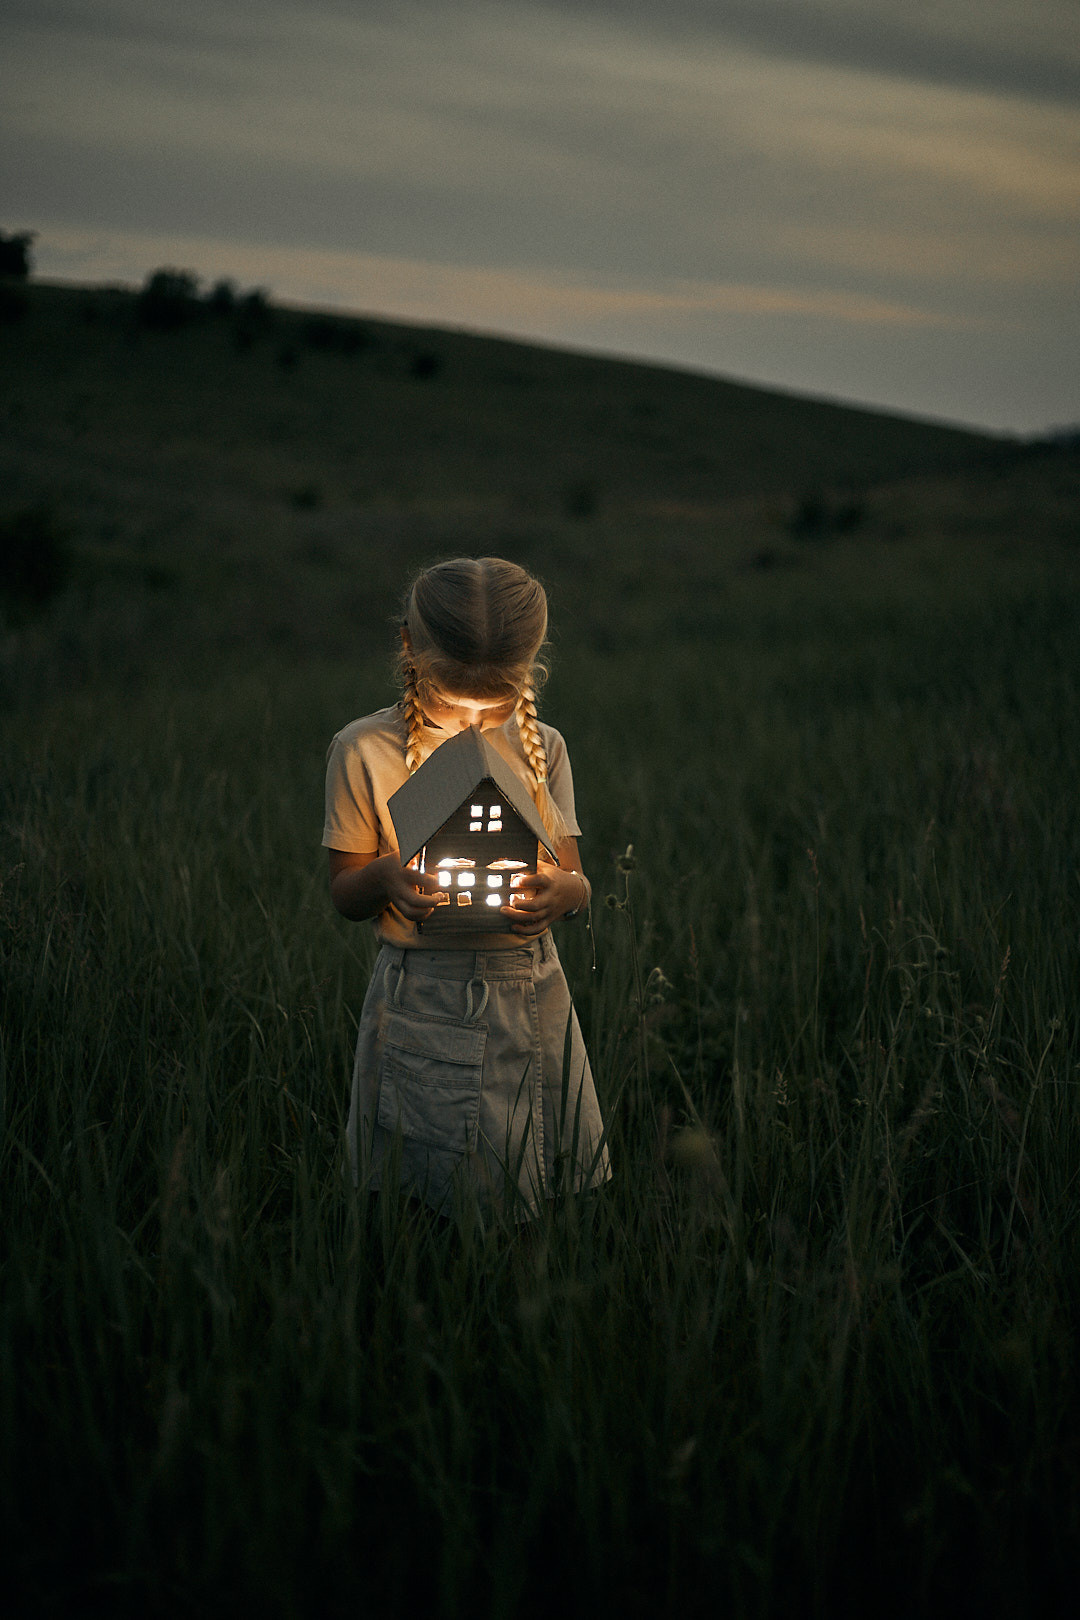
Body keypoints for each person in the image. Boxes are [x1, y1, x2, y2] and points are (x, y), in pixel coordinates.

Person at [323, 557, 611, 1219]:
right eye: (454, 699)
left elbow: (572, 872)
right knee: (423, 1176)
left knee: (531, 1165)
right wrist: (385, 877)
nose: (477, 719)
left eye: (498, 700)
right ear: (408, 649)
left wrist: (565, 893)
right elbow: (344, 892)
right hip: (422, 992)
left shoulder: (543, 748)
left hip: (529, 987)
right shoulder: (364, 749)